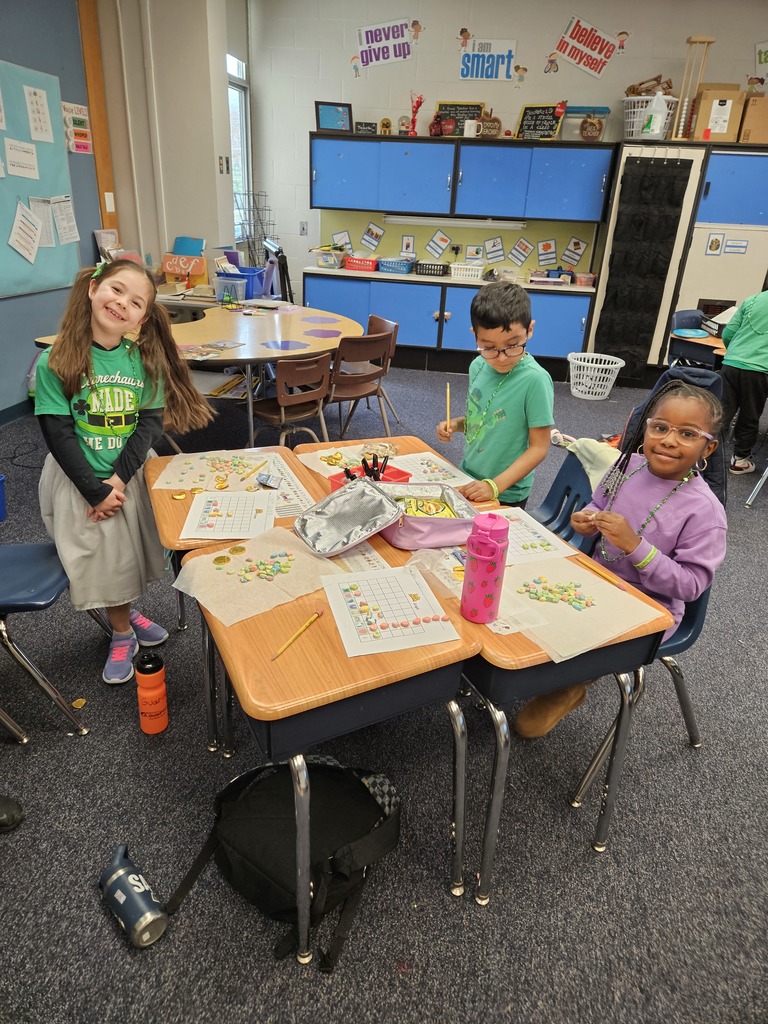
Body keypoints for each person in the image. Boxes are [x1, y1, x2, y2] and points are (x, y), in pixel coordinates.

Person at [35, 259, 215, 685]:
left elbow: (150, 424)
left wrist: (116, 481)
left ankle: (127, 612)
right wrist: (94, 491)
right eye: (116, 290)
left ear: (144, 317)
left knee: (129, 556)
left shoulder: (142, 359)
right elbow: (57, 434)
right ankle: (121, 632)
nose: (121, 304)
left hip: (127, 475)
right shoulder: (55, 360)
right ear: (94, 287)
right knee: (104, 561)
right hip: (79, 480)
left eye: (135, 302)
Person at [514, 380, 727, 738]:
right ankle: (547, 668)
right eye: (660, 428)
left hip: (648, 607)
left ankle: (572, 683)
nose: (669, 440)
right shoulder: (626, 467)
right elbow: (598, 507)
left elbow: (690, 587)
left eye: (687, 434)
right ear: (645, 429)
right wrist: (585, 519)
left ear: (709, 446)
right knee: (522, 594)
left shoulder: (706, 512)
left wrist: (635, 546)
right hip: (596, 579)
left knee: (572, 640)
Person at [436, 282, 554, 507]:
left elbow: (539, 447)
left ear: (530, 329)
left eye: (513, 345)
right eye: (489, 347)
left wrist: (495, 486)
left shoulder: (535, 380)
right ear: (475, 336)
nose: (501, 358)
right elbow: (482, 419)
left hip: (505, 490)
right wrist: (457, 424)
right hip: (469, 476)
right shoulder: (478, 366)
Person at [719, 289, 768, 475]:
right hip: (759, 370)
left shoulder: (752, 300)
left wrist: (738, 353)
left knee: (722, 412)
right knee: (749, 415)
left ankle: (706, 455)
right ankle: (740, 460)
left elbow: (727, 334)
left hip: (731, 364)